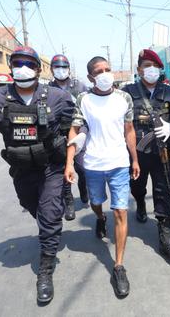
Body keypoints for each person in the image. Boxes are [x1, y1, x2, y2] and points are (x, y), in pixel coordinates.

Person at [0, 46, 74, 303]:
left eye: (29, 63)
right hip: (21, 168)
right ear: (10, 68)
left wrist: (76, 150)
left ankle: (45, 268)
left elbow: (74, 125)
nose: (23, 68)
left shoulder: (56, 96)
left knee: (49, 212)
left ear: (38, 68)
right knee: (31, 205)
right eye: (17, 63)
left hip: (50, 167)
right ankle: (49, 228)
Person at [64, 56, 139, 297]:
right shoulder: (83, 99)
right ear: (90, 77)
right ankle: (99, 218)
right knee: (96, 203)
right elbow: (74, 129)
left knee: (119, 210)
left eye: (108, 69)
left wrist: (134, 159)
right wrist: (69, 162)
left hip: (119, 163)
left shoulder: (124, 98)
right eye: (99, 71)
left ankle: (118, 266)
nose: (106, 74)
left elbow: (129, 129)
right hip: (93, 164)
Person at [121, 49, 170, 259]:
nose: (150, 70)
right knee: (137, 186)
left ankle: (165, 239)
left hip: (162, 152)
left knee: (164, 191)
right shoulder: (127, 92)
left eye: (154, 66)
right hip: (137, 153)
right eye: (146, 66)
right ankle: (139, 203)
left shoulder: (169, 92)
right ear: (139, 69)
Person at [49, 54, 89, 221]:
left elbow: (89, 113)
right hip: (57, 136)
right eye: (57, 67)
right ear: (51, 70)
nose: (61, 71)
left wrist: (84, 134)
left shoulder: (79, 86)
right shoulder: (47, 89)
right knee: (63, 170)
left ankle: (84, 190)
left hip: (77, 133)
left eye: (64, 67)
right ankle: (69, 203)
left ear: (69, 69)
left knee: (82, 168)